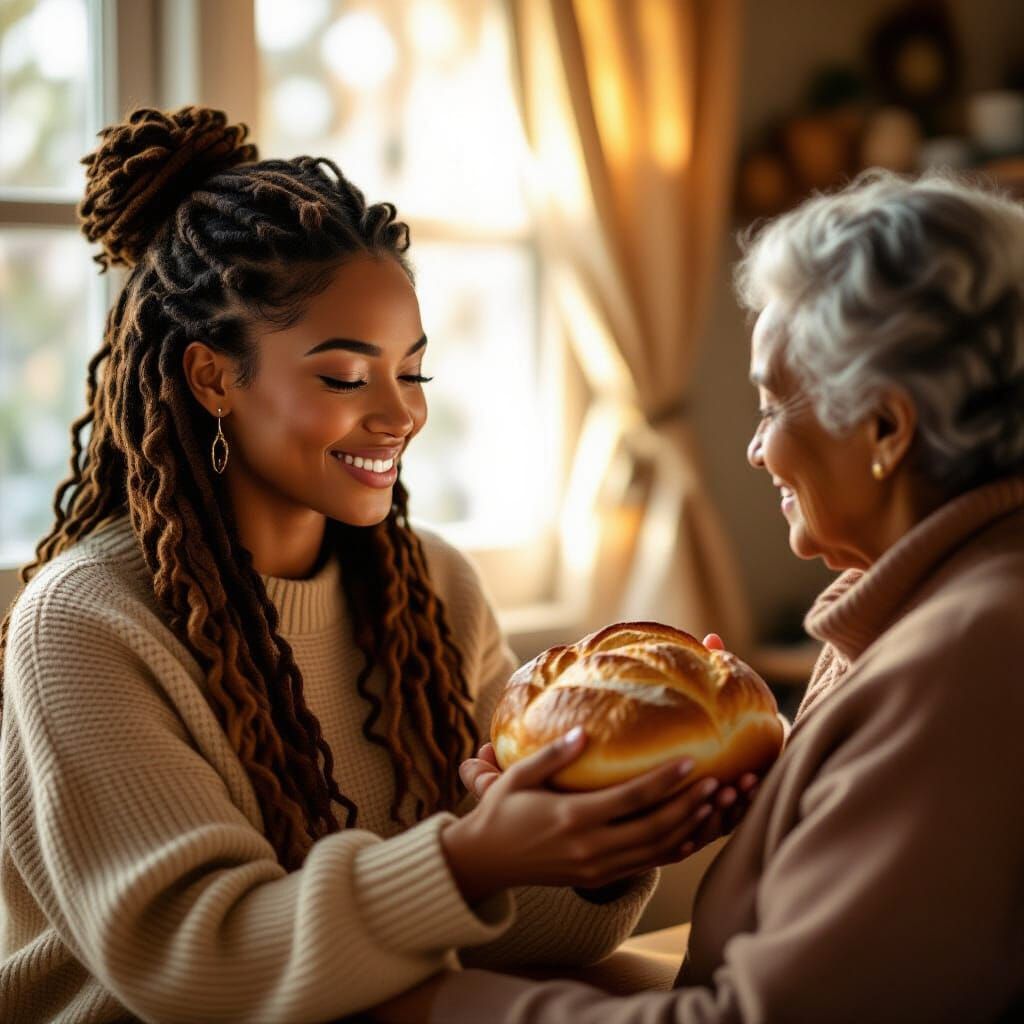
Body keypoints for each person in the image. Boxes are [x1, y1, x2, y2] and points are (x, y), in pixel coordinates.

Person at [0, 106, 752, 1023]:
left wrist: (610, 841)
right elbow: (198, 970)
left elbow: (502, 938)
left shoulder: (432, 589)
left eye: (414, 372)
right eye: (347, 378)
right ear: (213, 379)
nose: (401, 415)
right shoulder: (85, 623)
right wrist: (472, 858)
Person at [372, 169, 1024, 1023]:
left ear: (886, 429)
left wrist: (428, 1007)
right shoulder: (907, 603)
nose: (755, 451)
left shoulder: (968, 656)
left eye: (767, 405)